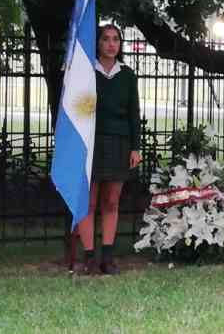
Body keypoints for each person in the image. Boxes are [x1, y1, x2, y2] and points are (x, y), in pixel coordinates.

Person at [79, 24, 142, 274]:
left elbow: (134, 114)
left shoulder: (127, 75)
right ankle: (89, 257)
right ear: (98, 43)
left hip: (119, 143)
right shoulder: (85, 73)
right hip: (91, 143)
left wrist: (135, 147)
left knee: (112, 202)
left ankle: (107, 257)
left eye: (116, 39)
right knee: (88, 202)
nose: (111, 44)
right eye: (106, 39)